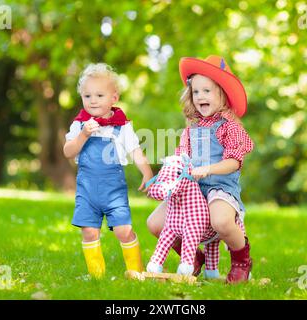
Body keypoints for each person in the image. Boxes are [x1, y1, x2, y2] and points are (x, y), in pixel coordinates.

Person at [146, 55, 254, 283]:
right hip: (190, 188)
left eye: (207, 91)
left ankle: (241, 259)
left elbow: (234, 161)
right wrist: (165, 177)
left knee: (222, 222)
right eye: (196, 92)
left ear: (222, 93)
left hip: (219, 187)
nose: (200, 96)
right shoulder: (191, 129)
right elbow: (180, 158)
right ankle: (194, 257)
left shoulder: (229, 126)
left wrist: (208, 169)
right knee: (154, 224)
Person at [63, 63, 153, 279]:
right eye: (87, 95)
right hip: (87, 191)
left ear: (114, 98)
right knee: (89, 231)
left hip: (113, 191)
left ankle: (136, 270)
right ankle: (97, 277)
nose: (92, 100)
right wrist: (83, 135)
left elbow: (135, 150)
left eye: (99, 95)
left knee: (123, 230)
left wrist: (147, 173)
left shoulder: (121, 126)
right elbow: (68, 151)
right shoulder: (80, 125)